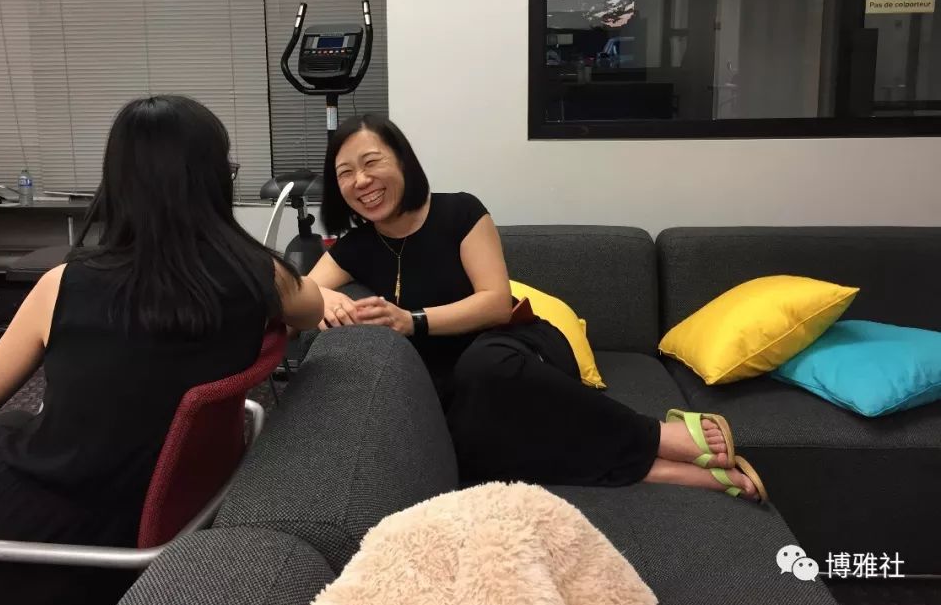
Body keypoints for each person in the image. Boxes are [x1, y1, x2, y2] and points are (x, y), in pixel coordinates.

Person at [0, 95, 324, 605]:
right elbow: (313, 309)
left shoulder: (63, 284)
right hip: (161, 509)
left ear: (118, 185)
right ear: (214, 179)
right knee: (6, 432)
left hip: (65, 534)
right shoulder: (261, 276)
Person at [307, 114, 768, 500]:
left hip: (517, 352)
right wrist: (323, 297)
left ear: (403, 161)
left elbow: (494, 303)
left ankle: (657, 436)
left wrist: (413, 321)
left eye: (371, 162)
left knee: (484, 365)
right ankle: (653, 468)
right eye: (345, 172)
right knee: (459, 446)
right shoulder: (354, 248)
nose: (361, 181)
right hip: (464, 393)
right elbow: (295, 294)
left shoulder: (459, 213)